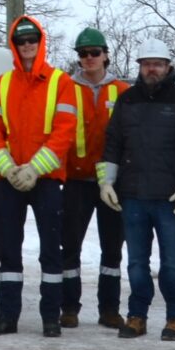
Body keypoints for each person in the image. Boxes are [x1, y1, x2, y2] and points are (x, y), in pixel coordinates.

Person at [100, 37, 175, 342]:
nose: (152, 69)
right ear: (140, 67)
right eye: (147, 64)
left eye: (157, 64)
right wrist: (106, 181)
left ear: (168, 66)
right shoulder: (127, 100)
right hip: (132, 196)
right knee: (136, 263)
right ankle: (137, 316)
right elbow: (113, 143)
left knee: (172, 262)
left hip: (169, 199)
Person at [0, 15, 83, 338]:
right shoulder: (3, 83)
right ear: (14, 45)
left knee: (51, 249)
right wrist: (8, 168)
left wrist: (34, 169)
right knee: (8, 248)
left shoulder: (60, 82)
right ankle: (6, 316)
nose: (27, 46)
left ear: (41, 43)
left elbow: (63, 132)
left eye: (32, 41)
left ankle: (50, 317)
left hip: (47, 179)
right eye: (21, 41)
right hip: (10, 180)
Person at [59, 27, 131, 330]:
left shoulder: (123, 92)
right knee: (70, 246)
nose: (89, 59)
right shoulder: (65, 89)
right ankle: (69, 308)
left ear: (106, 56)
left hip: (113, 184)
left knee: (112, 249)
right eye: (83, 54)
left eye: (94, 53)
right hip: (76, 180)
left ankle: (110, 309)